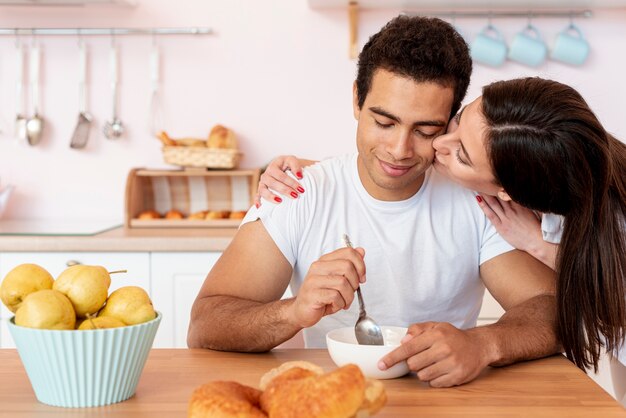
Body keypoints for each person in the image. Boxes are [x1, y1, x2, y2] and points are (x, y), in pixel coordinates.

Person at [187, 15, 560, 388]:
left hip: (445, 398)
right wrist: (293, 312)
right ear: (356, 100)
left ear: (448, 126)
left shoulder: (476, 201)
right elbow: (206, 324)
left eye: (425, 131)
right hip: (330, 401)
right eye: (384, 123)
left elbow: (551, 307)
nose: (399, 150)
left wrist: (483, 344)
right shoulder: (297, 192)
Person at [258, 77, 626, 393]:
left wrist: (541, 248)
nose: (436, 146)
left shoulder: (600, 230)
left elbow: (587, 295)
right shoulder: (555, 170)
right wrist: (333, 175)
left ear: (508, 193)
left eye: (461, 156)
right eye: (456, 123)